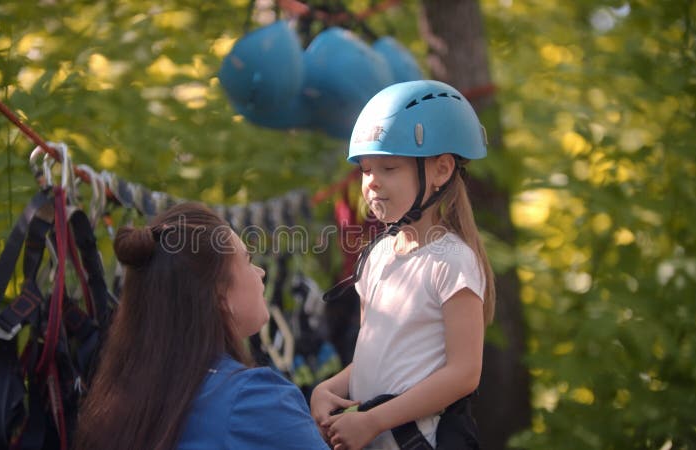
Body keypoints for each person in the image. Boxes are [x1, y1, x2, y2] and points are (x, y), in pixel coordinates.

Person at [310, 80, 496, 450]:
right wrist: (327, 388)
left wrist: (374, 420)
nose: (372, 183)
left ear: (441, 170)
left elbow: (464, 375)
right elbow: (373, 356)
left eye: (389, 167)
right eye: (365, 170)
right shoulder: (376, 255)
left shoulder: (453, 262)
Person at [73, 202, 329, 450]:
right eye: (248, 260)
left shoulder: (125, 395)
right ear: (220, 294)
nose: (260, 272)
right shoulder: (254, 400)